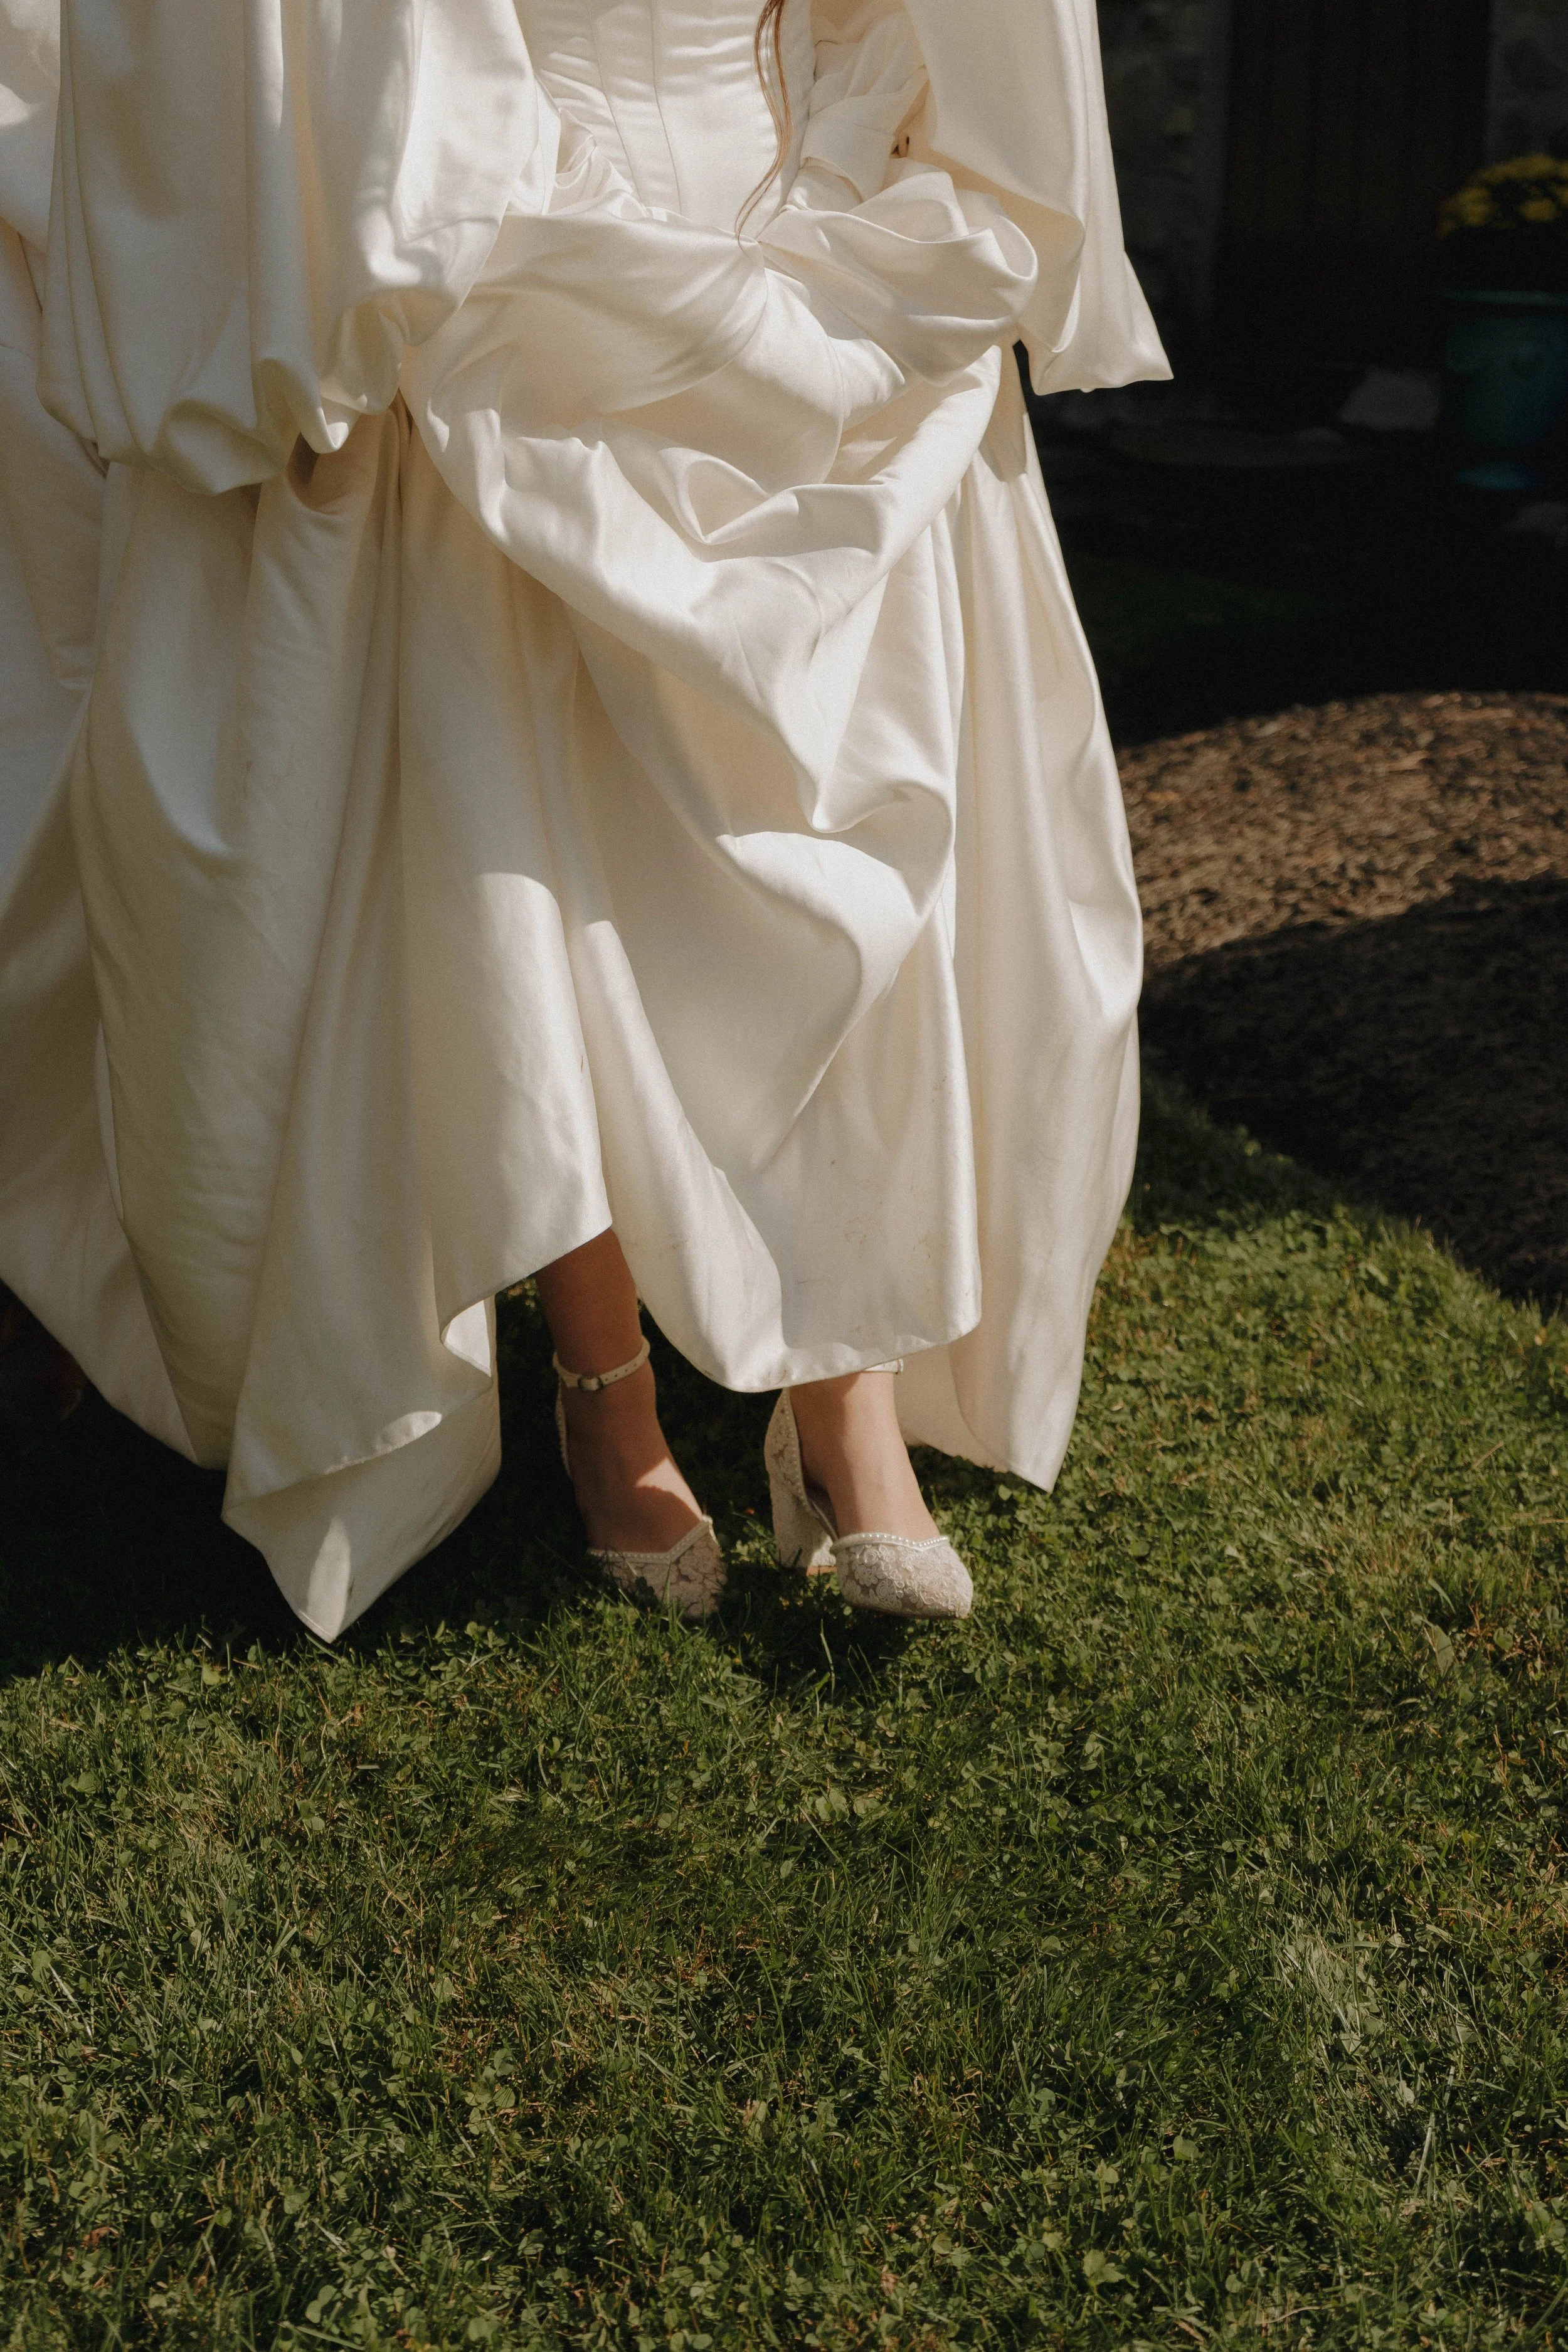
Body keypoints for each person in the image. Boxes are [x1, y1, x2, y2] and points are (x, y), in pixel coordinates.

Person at [0, 0, 1167, 1638]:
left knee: (832, 831)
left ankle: (846, 1401)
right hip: (504, 248)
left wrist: (875, 157)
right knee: (540, 868)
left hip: (781, 228)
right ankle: (602, 1384)